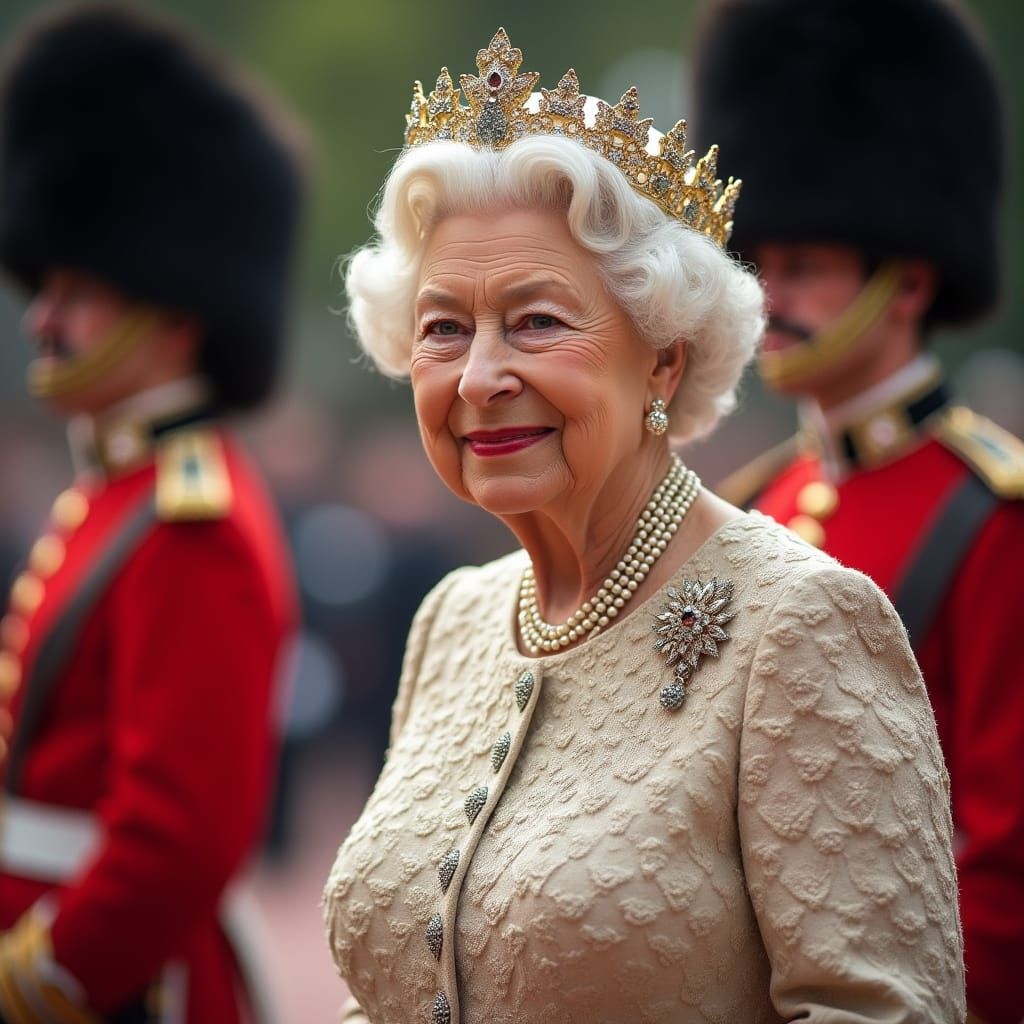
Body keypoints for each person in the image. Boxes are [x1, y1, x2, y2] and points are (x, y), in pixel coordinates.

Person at [323, 29, 965, 1023]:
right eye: (443, 326)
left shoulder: (801, 623)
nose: (480, 376)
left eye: (536, 320)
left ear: (662, 360)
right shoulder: (451, 619)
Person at [691, 3, 1024, 1020]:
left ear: (908, 277)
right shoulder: (746, 506)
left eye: (807, 269)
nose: (769, 296)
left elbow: (1004, 858)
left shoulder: (990, 514)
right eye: (760, 265)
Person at [0, 3, 305, 1021]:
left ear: (176, 312)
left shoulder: (192, 521)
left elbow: (179, 836)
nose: (43, 316)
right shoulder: (117, 492)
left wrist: (41, 975)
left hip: (119, 987)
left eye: (77, 290)